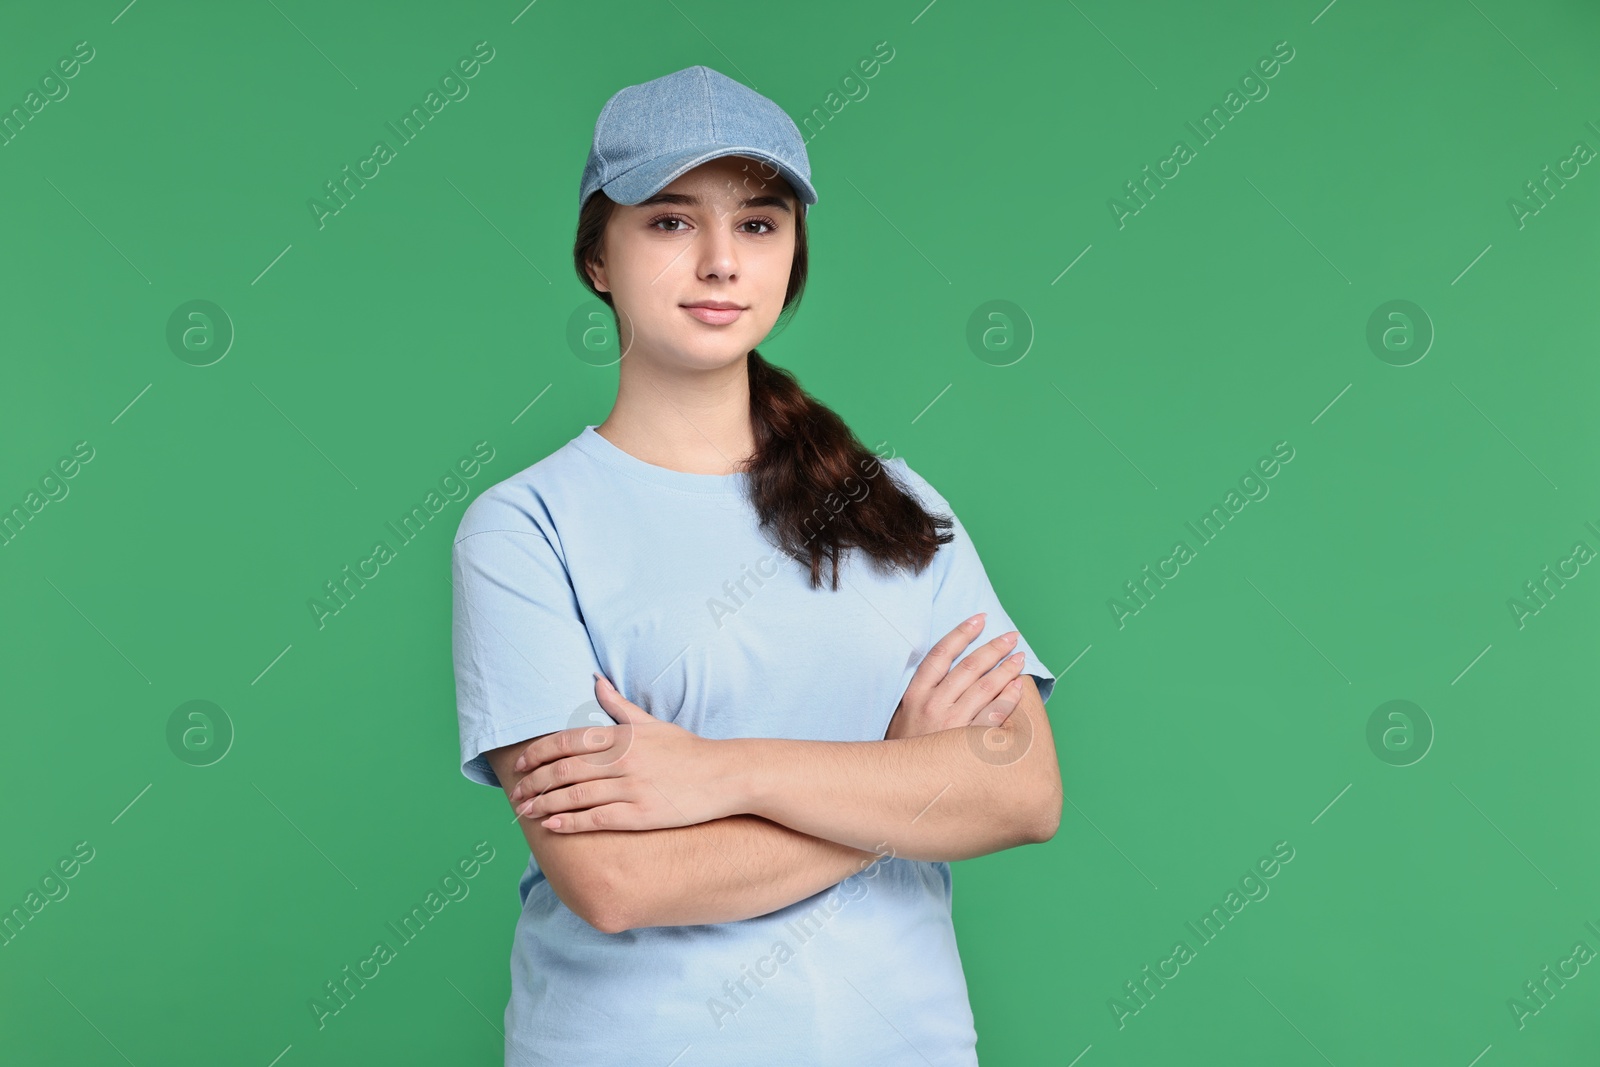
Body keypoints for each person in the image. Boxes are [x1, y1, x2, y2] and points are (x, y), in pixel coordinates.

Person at [450, 64, 1062, 1067]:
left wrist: (714, 770)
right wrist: (906, 788)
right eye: (669, 221)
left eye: (760, 222)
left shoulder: (895, 504)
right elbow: (615, 881)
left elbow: (1025, 790)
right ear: (597, 257)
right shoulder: (524, 527)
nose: (721, 261)